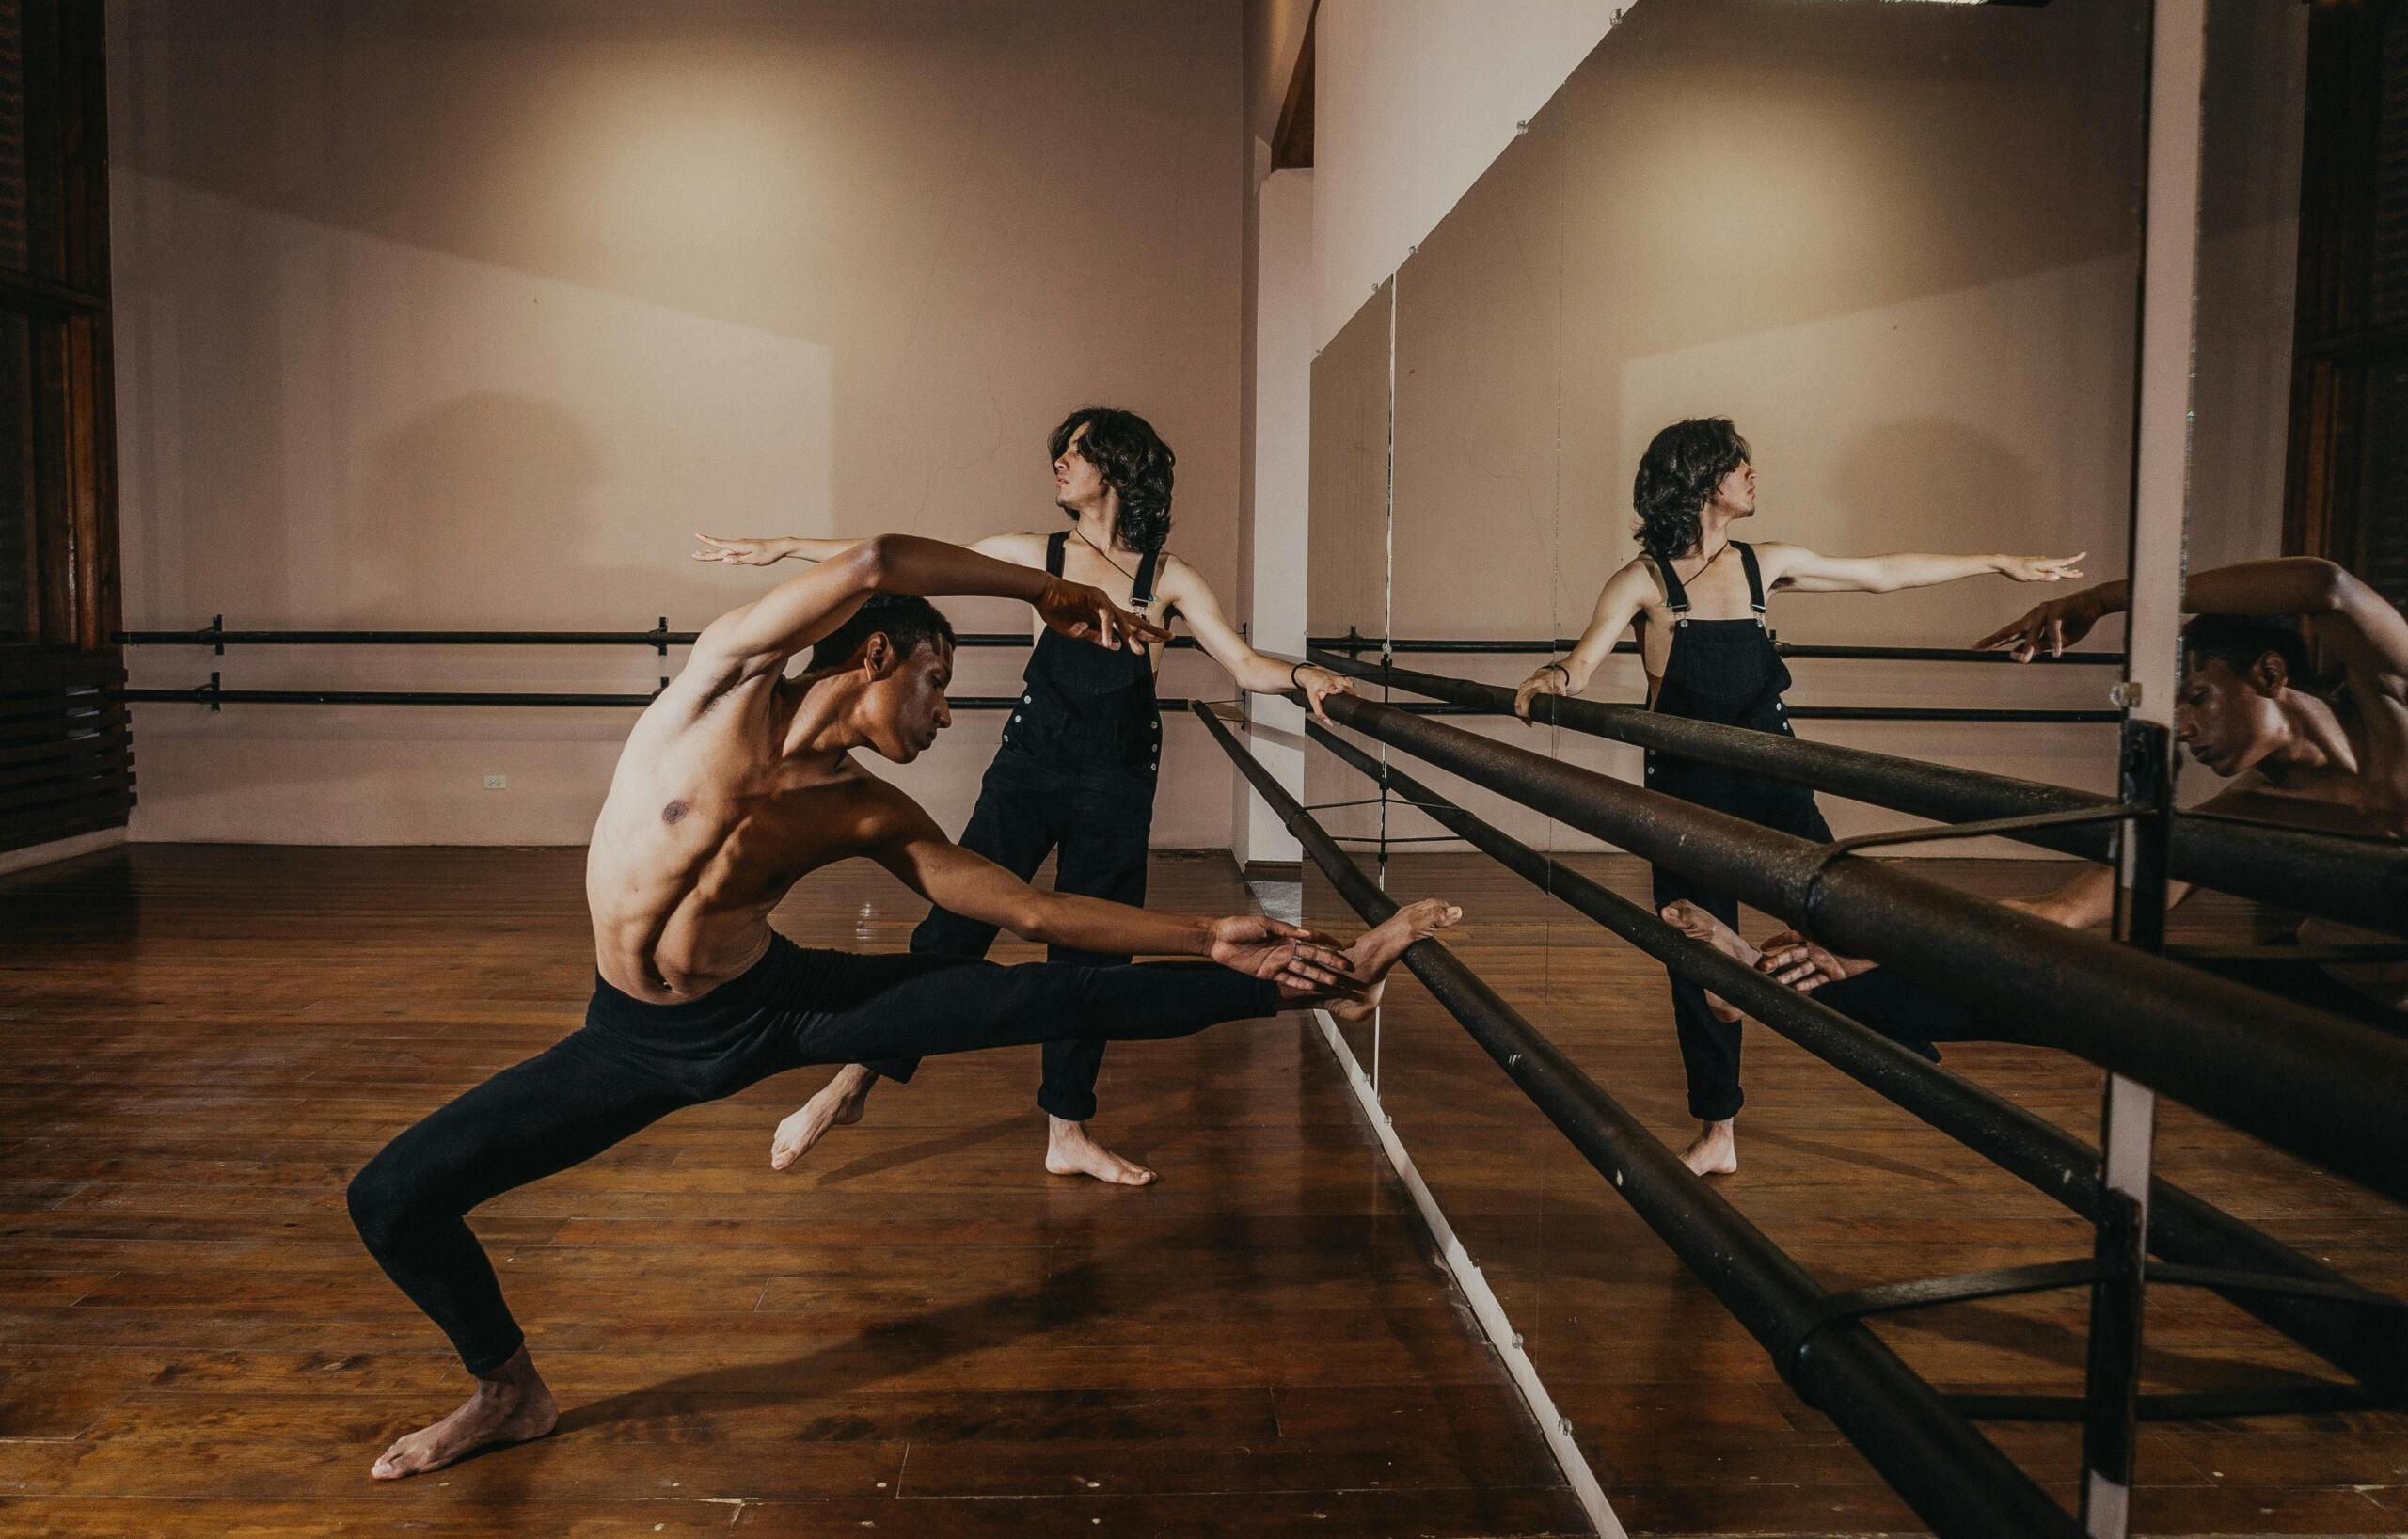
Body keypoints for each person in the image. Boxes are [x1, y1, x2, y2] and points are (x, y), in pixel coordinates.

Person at [346, 532, 1459, 1481]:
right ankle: (509, 1394)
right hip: (630, 1042)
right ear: (874, 655)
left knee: (1036, 998)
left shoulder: (867, 811)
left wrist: (1211, 935)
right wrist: (1045, 591)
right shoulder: (720, 683)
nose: (941, 713)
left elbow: (1029, 912)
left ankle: (1328, 989)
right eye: (935, 681)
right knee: (392, 1197)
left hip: (777, 1011)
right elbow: (876, 558)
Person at [693, 406, 1354, 1187]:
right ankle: (849, 1084)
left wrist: (1305, 674)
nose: (1059, 466)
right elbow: (902, 564)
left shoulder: (1166, 578)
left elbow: (1243, 666)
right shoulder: (1036, 556)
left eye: (1073, 453)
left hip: (1118, 785)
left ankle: (1067, 1130)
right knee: (952, 931)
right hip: (1028, 774)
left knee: (1094, 954)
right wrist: (787, 546)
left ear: (1114, 464)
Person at [1511, 417, 2083, 1177]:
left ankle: (1905, 1046)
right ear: (1702, 477)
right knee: (1696, 958)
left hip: (1775, 780)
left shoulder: (1762, 565)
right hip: (1685, 796)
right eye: (1738, 463)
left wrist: (1995, 562)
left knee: (1842, 926)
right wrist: (1549, 682)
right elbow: (1583, 663)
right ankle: (1719, 1131)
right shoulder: (1644, 581)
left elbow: (1881, 573)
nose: (1753, 473)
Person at [1663, 555, 2408, 1050]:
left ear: (2272, 672)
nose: (2180, 726)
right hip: (2329, 1000)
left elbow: (2329, 588)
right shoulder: (2242, 816)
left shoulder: (2393, 712)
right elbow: (2062, 915)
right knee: (2044, 985)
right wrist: (1874, 945)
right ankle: (1766, 990)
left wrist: (2103, 599)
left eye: (2197, 696)